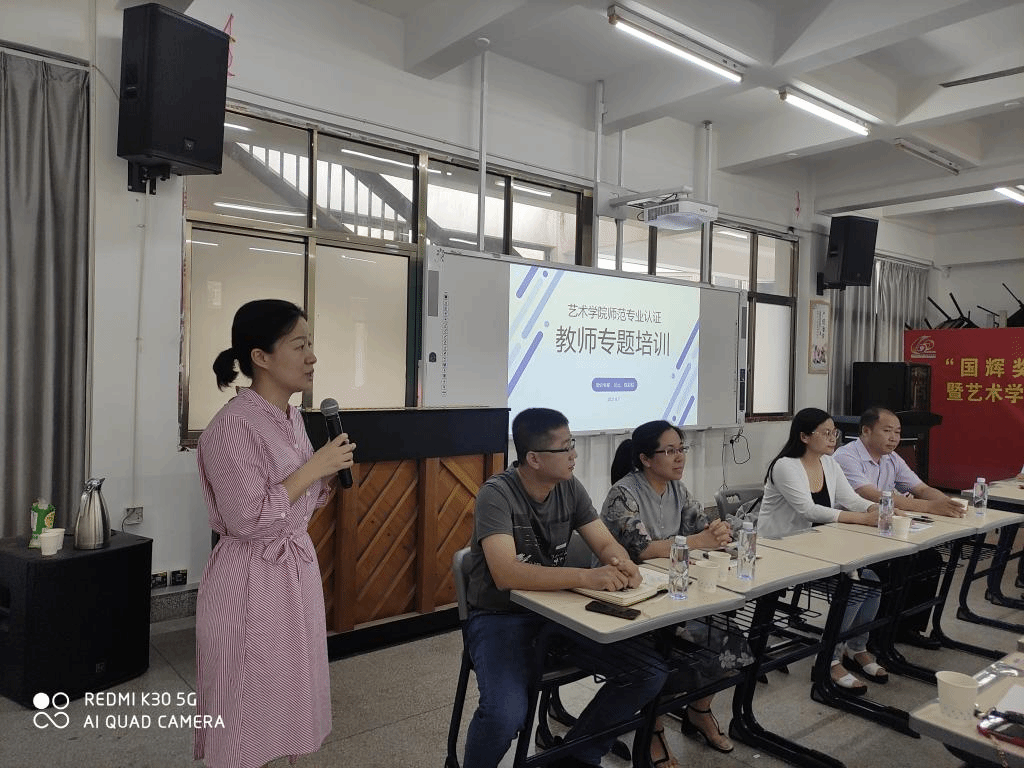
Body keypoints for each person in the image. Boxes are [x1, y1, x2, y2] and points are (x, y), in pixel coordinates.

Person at [194, 299, 356, 768]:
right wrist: (312, 469)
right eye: (299, 346)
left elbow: (299, 504)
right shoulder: (231, 428)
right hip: (250, 580)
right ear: (260, 357)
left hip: (292, 574)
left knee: (287, 692)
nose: (312, 357)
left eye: (311, 345)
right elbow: (248, 520)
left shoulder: (291, 417)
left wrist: (323, 477)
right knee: (246, 699)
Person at [463, 408, 669, 768]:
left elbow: (604, 543)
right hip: (500, 616)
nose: (574, 454)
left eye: (573, 444)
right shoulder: (496, 494)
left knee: (648, 673)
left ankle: (576, 756)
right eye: (566, 447)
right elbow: (506, 574)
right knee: (504, 715)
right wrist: (586, 577)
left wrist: (621, 562)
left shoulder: (569, 487)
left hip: (559, 612)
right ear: (534, 459)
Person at [601, 420, 736, 763]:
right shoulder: (623, 494)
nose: (680, 458)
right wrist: (699, 541)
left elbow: (700, 527)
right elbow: (641, 550)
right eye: (670, 451)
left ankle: (698, 709)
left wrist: (717, 532)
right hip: (629, 600)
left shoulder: (677, 489)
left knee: (733, 642)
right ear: (646, 459)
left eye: (681, 449)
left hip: (672, 592)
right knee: (662, 657)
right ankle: (653, 726)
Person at [758, 407, 884, 695]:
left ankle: (856, 648)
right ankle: (828, 659)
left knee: (872, 582)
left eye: (834, 432)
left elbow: (850, 498)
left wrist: (875, 509)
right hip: (781, 549)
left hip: (817, 546)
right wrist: (861, 518)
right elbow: (808, 509)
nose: (832, 438)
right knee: (853, 586)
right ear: (804, 436)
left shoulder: (829, 463)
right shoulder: (786, 465)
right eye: (825, 433)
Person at [833, 406, 964, 649]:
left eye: (898, 432)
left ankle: (906, 628)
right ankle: (875, 635)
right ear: (866, 431)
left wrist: (948, 503)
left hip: (882, 529)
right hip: (851, 531)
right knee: (893, 566)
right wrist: (931, 507)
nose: (894, 438)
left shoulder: (892, 458)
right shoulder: (846, 456)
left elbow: (921, 488)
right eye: (887, 431)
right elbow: (873, 496)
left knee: (929, 560)